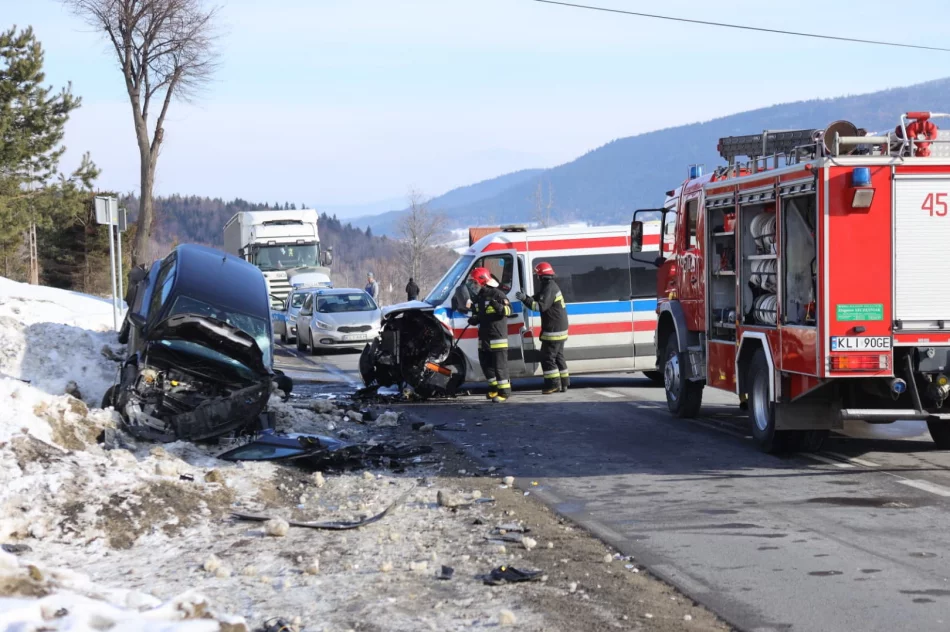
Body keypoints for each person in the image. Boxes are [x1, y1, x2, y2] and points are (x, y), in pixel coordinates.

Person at [516, 261, 569, 394]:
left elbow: (539, 306)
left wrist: (524, 299)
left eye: (537, 275)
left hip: (554, 330)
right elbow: (538, 299)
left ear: (541, 276)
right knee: (558, 356)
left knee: (547, 357)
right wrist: (527, 297)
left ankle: (553, 385)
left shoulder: (549, 287)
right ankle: (564, 383)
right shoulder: (549, 286)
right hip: (558, 327)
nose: (536, 277)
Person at [469, 267, 512, 403]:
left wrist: (498, 307)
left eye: (475, 282)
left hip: (497, 337)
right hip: (484, 338)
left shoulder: (498, 294)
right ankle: (494, 389)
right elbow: (478, 314)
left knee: (500, 366)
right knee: (486, 364)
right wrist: (474, 319)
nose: (473, 285)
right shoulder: (479, 298)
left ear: (482, 281)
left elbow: (508, 310)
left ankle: (504, 392)